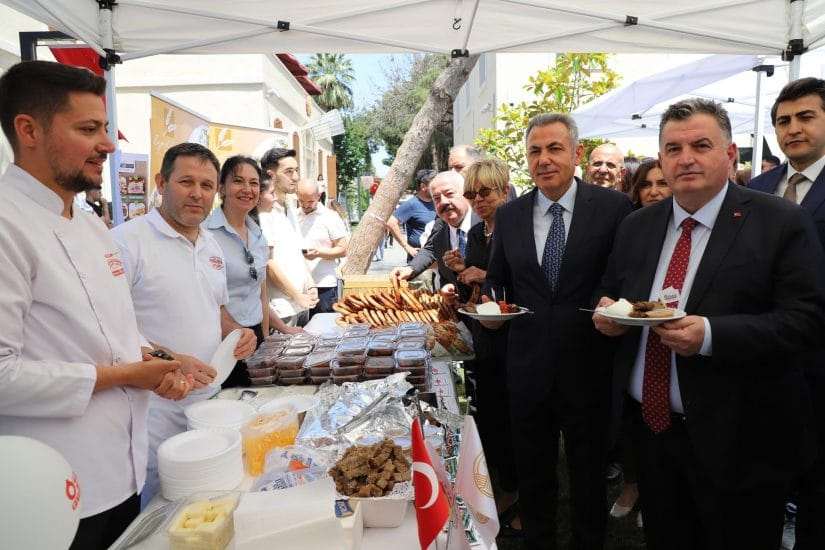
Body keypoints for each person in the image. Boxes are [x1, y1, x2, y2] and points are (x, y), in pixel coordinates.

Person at [594, 98, 825, 550]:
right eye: (673, 148)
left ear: (730, 154)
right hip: (654, 431)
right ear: (660, 158)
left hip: (741, 438)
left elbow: (808, 320)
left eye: (701, 145)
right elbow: (611, 292)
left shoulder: (779, 221)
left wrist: (712, 336)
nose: (686, 159)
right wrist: (610, 314)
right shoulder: (637, 225)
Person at [0, 60, 192, 550]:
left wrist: (158, 360)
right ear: (29, 131)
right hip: (48, 490)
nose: (107, 144)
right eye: (89, 129)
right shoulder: (6, 224)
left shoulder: (87, 223)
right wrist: (127, 375)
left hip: (124, 471)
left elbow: (114, 330)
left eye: (105, 128)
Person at [483, 113, 633, 549]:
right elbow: (499, 281)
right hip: (527, 367)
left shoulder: (613, 208)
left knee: (588, 475)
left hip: (590, 365)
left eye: (554, 149)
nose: (544, 159)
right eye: (535, 151)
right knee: (534, 474)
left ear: (576, 153)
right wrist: (492, 307)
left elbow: (622, 277)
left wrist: (612, 302)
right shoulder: (510, 215)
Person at [112, 143, 257, 506]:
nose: (197, 193)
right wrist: (173, 359)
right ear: (161, 182)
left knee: (214, 502)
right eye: (186, 182)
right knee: (161, 508)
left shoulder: (210, 244)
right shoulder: (125, 243)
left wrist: (239, 332)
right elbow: (112, 326)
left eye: (207, 185)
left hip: (209, 406)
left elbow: (216, 308)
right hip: (153, 414)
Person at [748, 77, 825, 550]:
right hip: (757, 356)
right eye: (783, 120)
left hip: (818, 360)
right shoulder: (757, 188)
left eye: (805, 117)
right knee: (761, 475)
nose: (792, 128)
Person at [442, 158, 521, 535]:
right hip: (485, 338)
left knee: (515, 418)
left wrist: (484, 274)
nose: (478, 200)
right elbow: (477, 292)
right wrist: (460, 274)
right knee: (489, 413)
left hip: (515, 339)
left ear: (504, 190)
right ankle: (503, 487)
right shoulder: (476, 235)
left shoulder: (516, 228)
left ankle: (521, 495)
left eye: (485, 192)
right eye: (472, 193)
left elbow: (523, 283)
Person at [206, 156, 299, 387]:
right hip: (221, 340)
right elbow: (204, 298)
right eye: (238, 181)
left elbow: (260, 292)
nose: (247, 189)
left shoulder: (257, 233)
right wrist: (236, 334)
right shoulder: (205, 234)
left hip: (255, 334)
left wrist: (270, 335)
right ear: (222, 188)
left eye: (254, 183)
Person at [258, 147, 317, 326]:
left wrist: (311, 284)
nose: (296, 177)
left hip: (301, 304)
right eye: (289, 171)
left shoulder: (290, 208)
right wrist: (297, 295)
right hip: (281, 310)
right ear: (271, 174)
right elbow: (268, 264)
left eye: (297, 170)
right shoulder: (264, 212)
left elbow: (297, 254)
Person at [392, 170, 473, 299]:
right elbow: (430, 249)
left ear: (465, 194)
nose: (444, 202)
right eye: (436, 198)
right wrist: (410, 268)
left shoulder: (485, 223)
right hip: (455, 310)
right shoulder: (439, 224)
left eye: (449, 194)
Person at [296, 179, 349, 315]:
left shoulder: (330, 217)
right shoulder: (293, 216)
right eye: (302, 201)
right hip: (299, 286)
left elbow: (343, 249)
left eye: (310, 202)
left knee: (323, 330)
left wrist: (319, 253)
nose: (305, 205)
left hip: (323, 285)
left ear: (318, 196)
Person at [386, 168, 437, 259]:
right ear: (423, 186)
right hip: (420, 260)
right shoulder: (412, 204)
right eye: (434, 184)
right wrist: (407, 247)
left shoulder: (438, 202)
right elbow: (391, 222)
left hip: (438, 260)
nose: (438, 187)